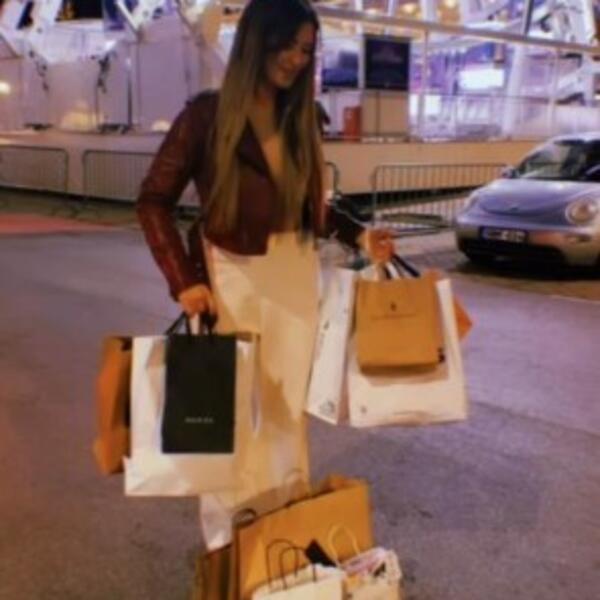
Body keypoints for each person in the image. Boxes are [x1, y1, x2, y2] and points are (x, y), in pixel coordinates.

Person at [136, 0, 394, 547]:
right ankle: (228, 544)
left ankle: (284, 536)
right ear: (257, 39)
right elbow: (153, 200)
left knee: (285, 413)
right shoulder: (205, 116)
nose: (296, 58)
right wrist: (183, 280)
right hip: (231, 275)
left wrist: (359, 235)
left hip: (295, 274)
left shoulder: (302, 117)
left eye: (305, 49)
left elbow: (309, 208)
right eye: (287, 44)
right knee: (225, 414)